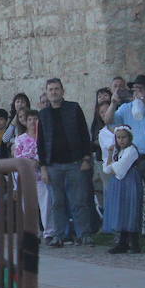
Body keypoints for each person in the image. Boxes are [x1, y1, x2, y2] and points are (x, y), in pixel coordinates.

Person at [36, 78, 94, 246]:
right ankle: (59, 235)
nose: (54, 92)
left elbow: (84, 134)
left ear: (62, 91)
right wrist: (43, 168)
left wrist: (86, 158)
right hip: (53, 165)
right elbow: (41, 143)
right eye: (51, 89)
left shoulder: (74, 108)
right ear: (47, 93)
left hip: (75, 162)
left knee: (79, 201)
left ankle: (84, 234)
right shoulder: (43, 114)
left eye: (56, 89)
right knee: (57, 203)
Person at [111, 74, 145, 243]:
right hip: (132, 161)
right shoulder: (126, 108)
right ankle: (129, 238)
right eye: (135, 90)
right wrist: (113, 102)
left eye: (140, 89)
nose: (137, 92)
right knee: (129, 199)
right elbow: (108, 120)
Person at [102, 126, 144, 253]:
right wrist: (110, 154)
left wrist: (113, 166)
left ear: (129, 138)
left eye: (124, 137)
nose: (121, 140)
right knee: (121, 209)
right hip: (119, 183)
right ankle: (123, 242)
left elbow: (120, 170)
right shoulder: (118, 152)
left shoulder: (131, 150)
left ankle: (134, 242)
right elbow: (106, 169)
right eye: (118, 137)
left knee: (130, 208)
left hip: (130, 181)